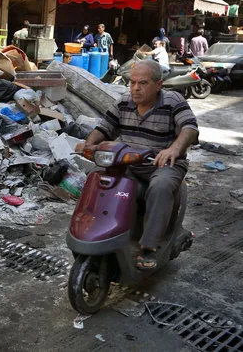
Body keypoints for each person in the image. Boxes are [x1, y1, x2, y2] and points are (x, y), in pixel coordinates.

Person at [80, 60, 199, 270]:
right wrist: (89, 144)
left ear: (158, 84)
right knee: (99, 179)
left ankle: (148, 247)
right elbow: (105, 127)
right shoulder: (124, 102)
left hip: (164, 164)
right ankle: (99, 230)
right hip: (130, 163)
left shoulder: (173, 100)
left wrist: (174, 149)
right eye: (133, 82)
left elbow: (190, 129)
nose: (135, 88)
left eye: (142, 83)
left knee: (160, 188)